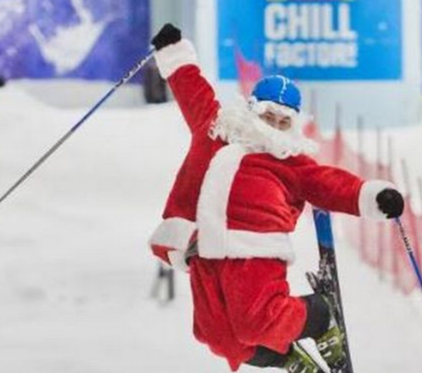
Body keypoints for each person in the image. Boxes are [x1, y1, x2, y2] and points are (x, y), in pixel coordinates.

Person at [147, 23, 404, 372]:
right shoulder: (215, 129)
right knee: (215, 335)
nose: (274, 125)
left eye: (283, 122)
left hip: (256, 251)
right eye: (268, 116)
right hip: (202, 248)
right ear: (252, 109)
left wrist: (373, 196)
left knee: (257, 321)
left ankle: (318, 315)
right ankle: (289, 360)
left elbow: (330, 183)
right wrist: (172, 50)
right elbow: (192, 88)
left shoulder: (289, 160)